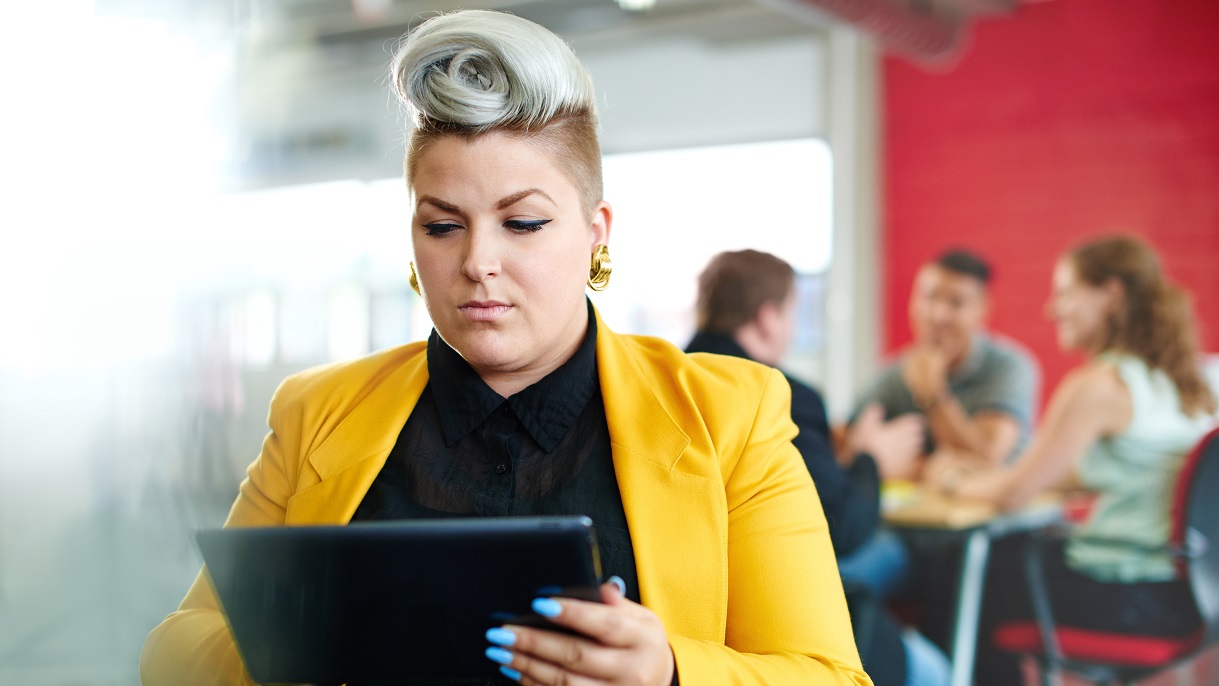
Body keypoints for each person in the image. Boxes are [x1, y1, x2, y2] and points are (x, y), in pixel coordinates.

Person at [139, 10, 870, 686]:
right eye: (442, 226)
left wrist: (671, 671)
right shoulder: (317, 413)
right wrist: (303, 645)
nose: (477, 261)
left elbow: (829, 675)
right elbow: (173, 649)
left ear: (595, 234)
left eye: (521, 223)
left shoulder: (727, 416)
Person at [924, 235, 1217, 685]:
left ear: (1111, 294)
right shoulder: (1191, 380)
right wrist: (1005, 477)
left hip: (1126, 596)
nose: (1051, 309)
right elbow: (1103, 475)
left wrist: (946, 477)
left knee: (965, 576)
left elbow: (1013, 495)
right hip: (1186, 592)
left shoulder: (1100, 385)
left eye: (1064, 292)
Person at [685, 250, 947, 686]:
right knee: (932, 656)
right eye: (792, 313)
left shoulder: (666, 379)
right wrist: (871, 462)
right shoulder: (779, 393)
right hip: (768, 596)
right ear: (768, 319)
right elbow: (839, 528)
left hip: (690, 596)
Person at [848, 249, 1040, 474]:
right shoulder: (896, 372)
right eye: (929, 298)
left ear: (982, 309)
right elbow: (848, 438)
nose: (938, 315)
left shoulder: (1010, 367)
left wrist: (932, 394)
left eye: (956, 303)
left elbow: (986, 460)